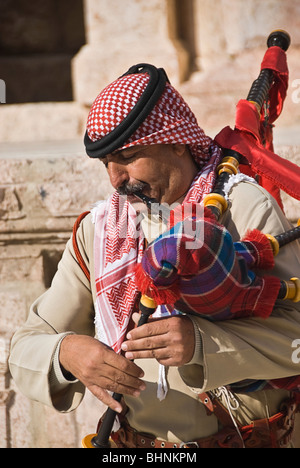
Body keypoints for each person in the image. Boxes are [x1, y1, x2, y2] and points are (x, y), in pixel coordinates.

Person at [9, 64, 300, 448]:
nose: (115, 179)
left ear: (177, 142)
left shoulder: (242, 207)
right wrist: (68, 353)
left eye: (128, 156)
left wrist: (201, 343)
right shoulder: (100, 231)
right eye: (106, 163)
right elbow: (26, 345)